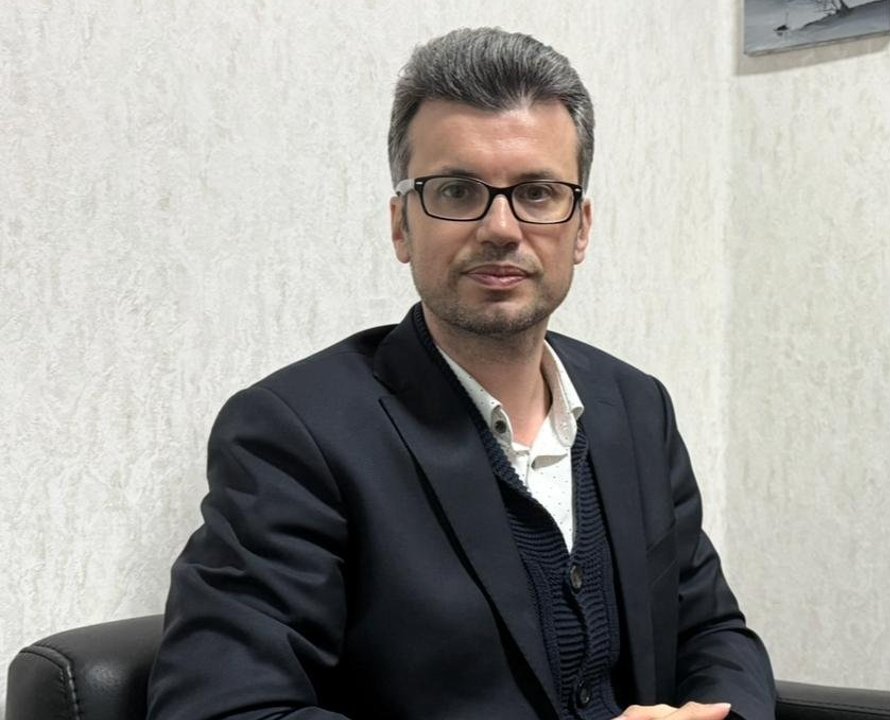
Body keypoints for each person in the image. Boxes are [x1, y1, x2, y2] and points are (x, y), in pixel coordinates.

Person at [146, 27, 774, 720]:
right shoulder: (294, 435)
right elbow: (225, 708)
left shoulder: (636, 406)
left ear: (582, 228)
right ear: (401, 226)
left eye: (538, 193)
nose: (501, 227)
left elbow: (713, 634)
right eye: (455, 190)